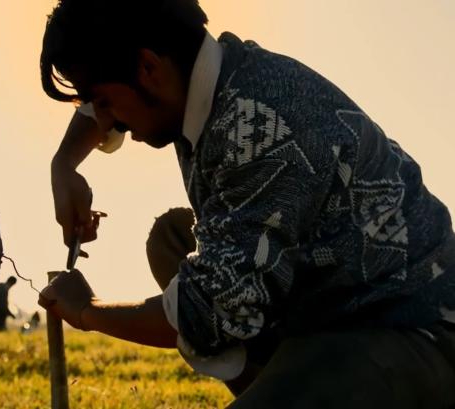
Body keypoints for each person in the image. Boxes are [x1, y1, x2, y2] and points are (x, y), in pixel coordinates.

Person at [37, 0, 455, 407]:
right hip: (329, 298)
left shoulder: (260, 129)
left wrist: (88, 311)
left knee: (213, 294)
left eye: (105, 102)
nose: (106, 123)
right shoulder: (216, 73)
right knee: (172, 239)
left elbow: (209, 309)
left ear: (147, 68)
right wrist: (64, 165)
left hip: (411, 328)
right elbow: (109, 95)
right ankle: (276, 385)